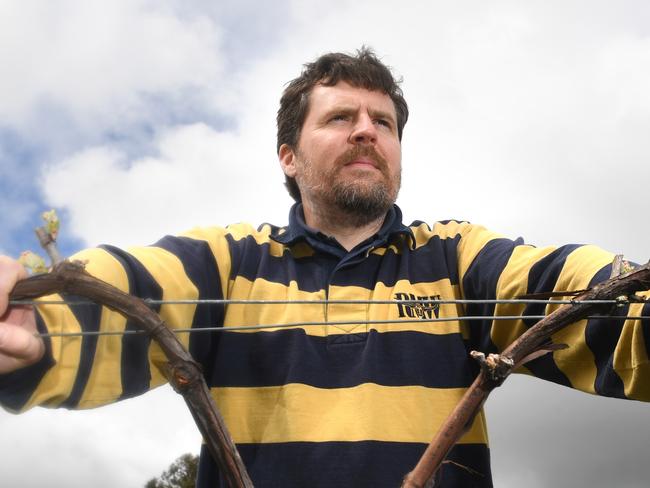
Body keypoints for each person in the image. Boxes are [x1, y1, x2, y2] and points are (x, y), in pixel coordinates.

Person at [0, 48, 648, 488]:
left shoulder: (455, 257)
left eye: (385, 123)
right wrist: (34, 320)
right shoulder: (232, 262)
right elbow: (134, 288)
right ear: (288, 155)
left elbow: (568, 290)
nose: (368, 131)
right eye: (341, 117)